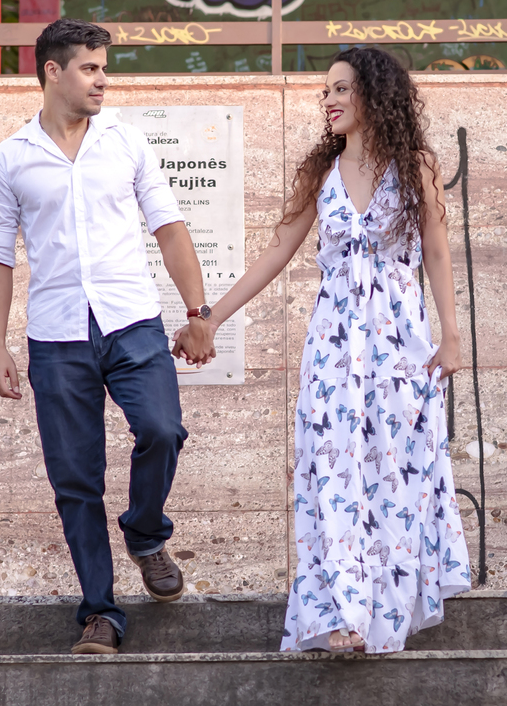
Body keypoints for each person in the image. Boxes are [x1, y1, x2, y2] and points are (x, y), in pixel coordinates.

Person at [187, 47, 472, 653]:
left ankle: (383, 615)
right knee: (335, 471)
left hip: (399, 344)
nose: (329, 100)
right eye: (326, 91)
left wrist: (451, 335)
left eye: (342, 88)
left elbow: (437, 250)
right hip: (334, 349)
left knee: (393, 472)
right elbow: (275, 254)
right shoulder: (321, 172)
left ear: (375, 93)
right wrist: (210, 318)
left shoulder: (416, 164)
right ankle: (343, 614)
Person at [0, 18, 217, 655]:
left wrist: (198, 311)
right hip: (57, 337)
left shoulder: (126, 142)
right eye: (90, 68)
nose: (102, 80)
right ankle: (101, 614)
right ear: (53, 72)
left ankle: (145, 531)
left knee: (163, 430)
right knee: (75, 481)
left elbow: (169, 227)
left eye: (105, 68)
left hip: (132, 322)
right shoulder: (11, 158)